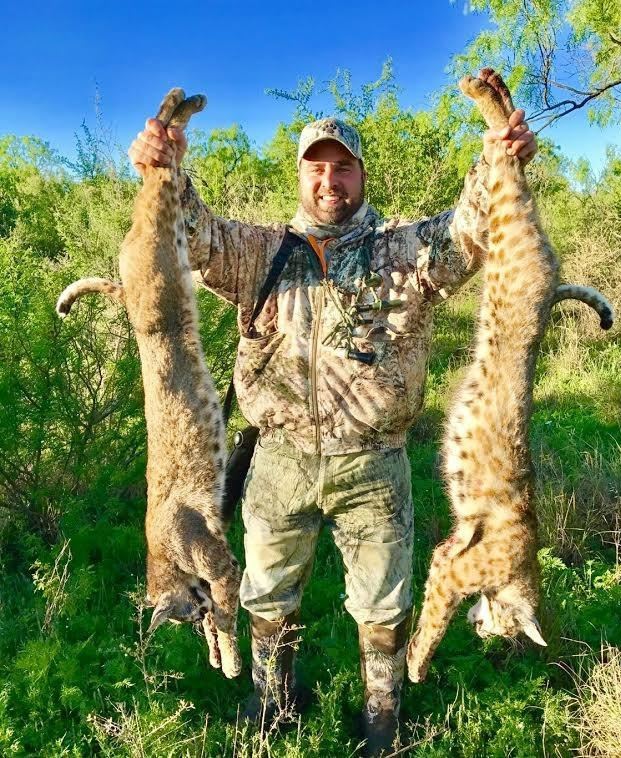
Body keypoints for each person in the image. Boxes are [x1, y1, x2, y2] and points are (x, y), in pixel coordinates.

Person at [129, 90, 536, 756]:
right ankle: (272, 702)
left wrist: (501, 159)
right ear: (300, 174)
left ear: (361, 175)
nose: (329, 180)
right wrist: (162, 167)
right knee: (266, 595)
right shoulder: (257, 251)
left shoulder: (405, 251)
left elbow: (475, 227)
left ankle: (382, 717)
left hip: (374, 464)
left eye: (342, 167)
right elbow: (193, 234)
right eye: (316, 167)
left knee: (383, 605)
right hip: (279, 459)